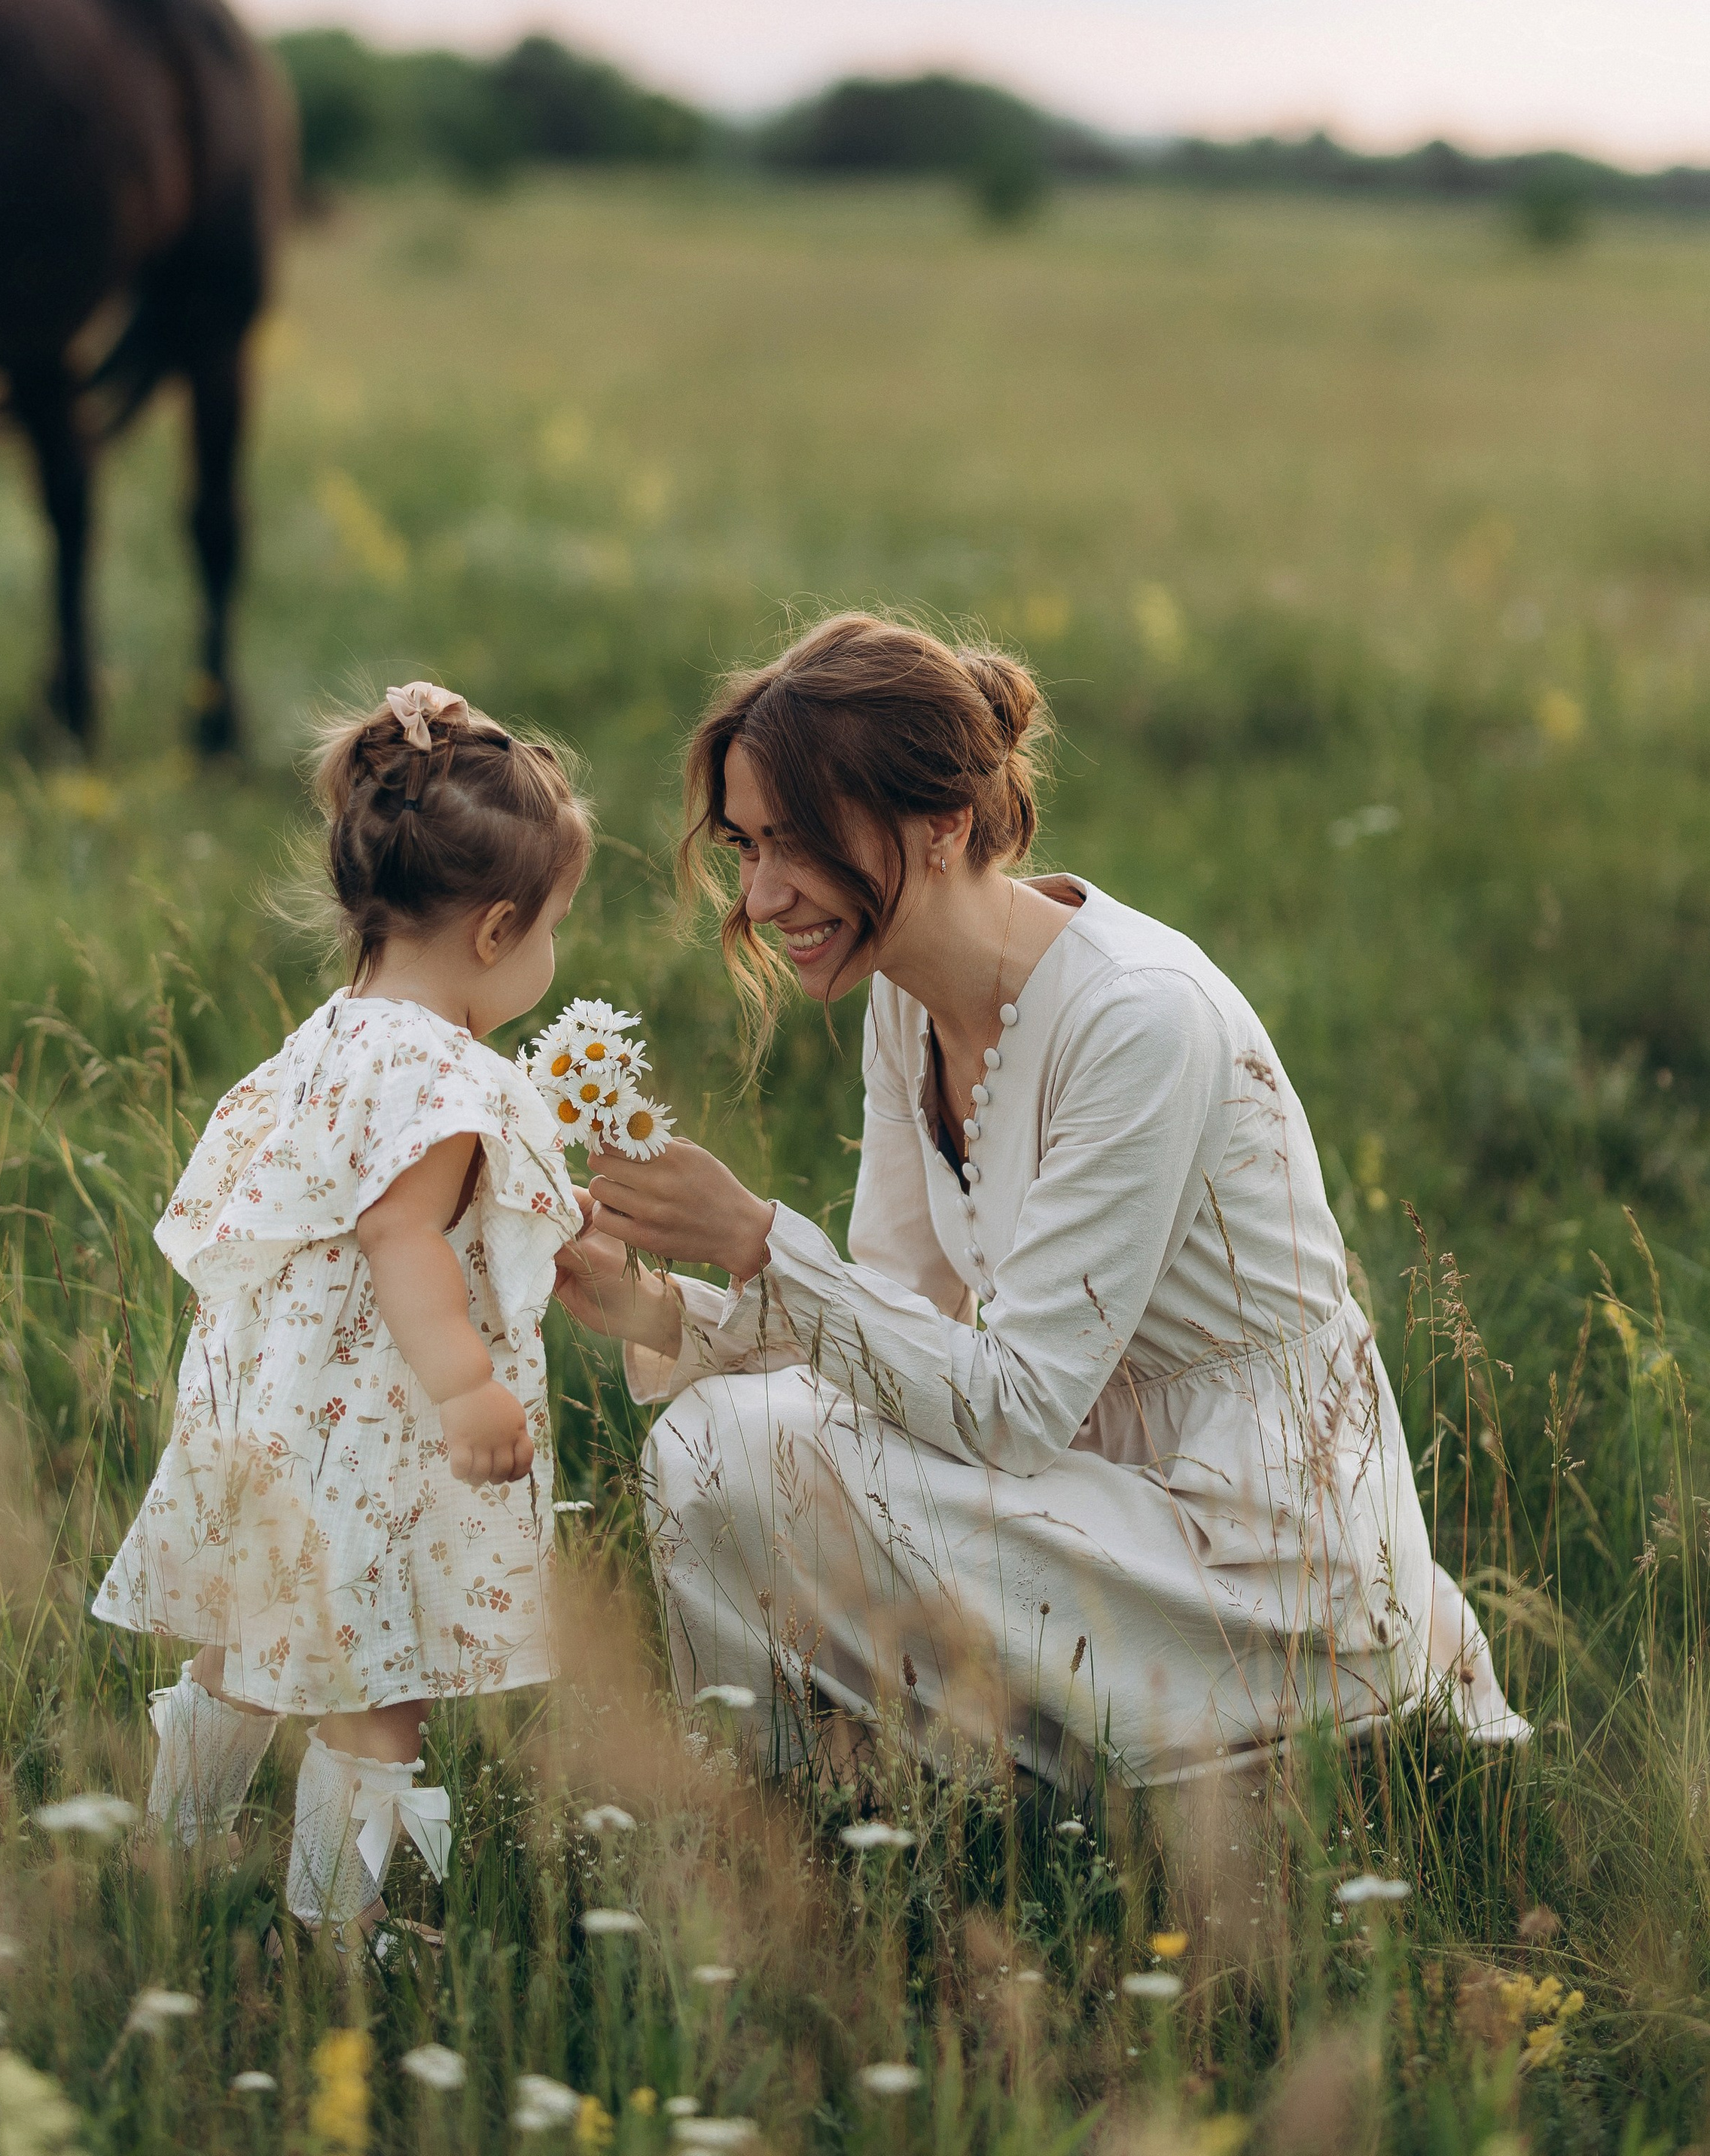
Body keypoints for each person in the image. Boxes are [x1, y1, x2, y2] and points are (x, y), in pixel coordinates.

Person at [555, 614, 1526, 1786]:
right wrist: (666, 1312)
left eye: (799, 843)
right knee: (715, 1443)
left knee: (738, 1447)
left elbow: (1008, 1406)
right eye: (747, 846)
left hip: (1261, 1566)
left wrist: (756, 1240)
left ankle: (947, 1808)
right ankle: (801, 1830)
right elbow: (891, 1326)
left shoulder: (1141, 1019)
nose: (763, 897)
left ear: (945, 822)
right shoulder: (904, 1000)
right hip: (1090, 1497)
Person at [95, 681, 587, 1941]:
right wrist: (467, 1387)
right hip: (375, 1445)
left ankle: (178, 1849)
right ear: (495, 931)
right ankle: (333, 1920)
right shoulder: (445, 1075)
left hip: (271, 1430)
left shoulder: (328, 1038)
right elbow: (398, 1232)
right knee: (381, 1689)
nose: (549, 958)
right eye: (551, 931)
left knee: (242, 1655)